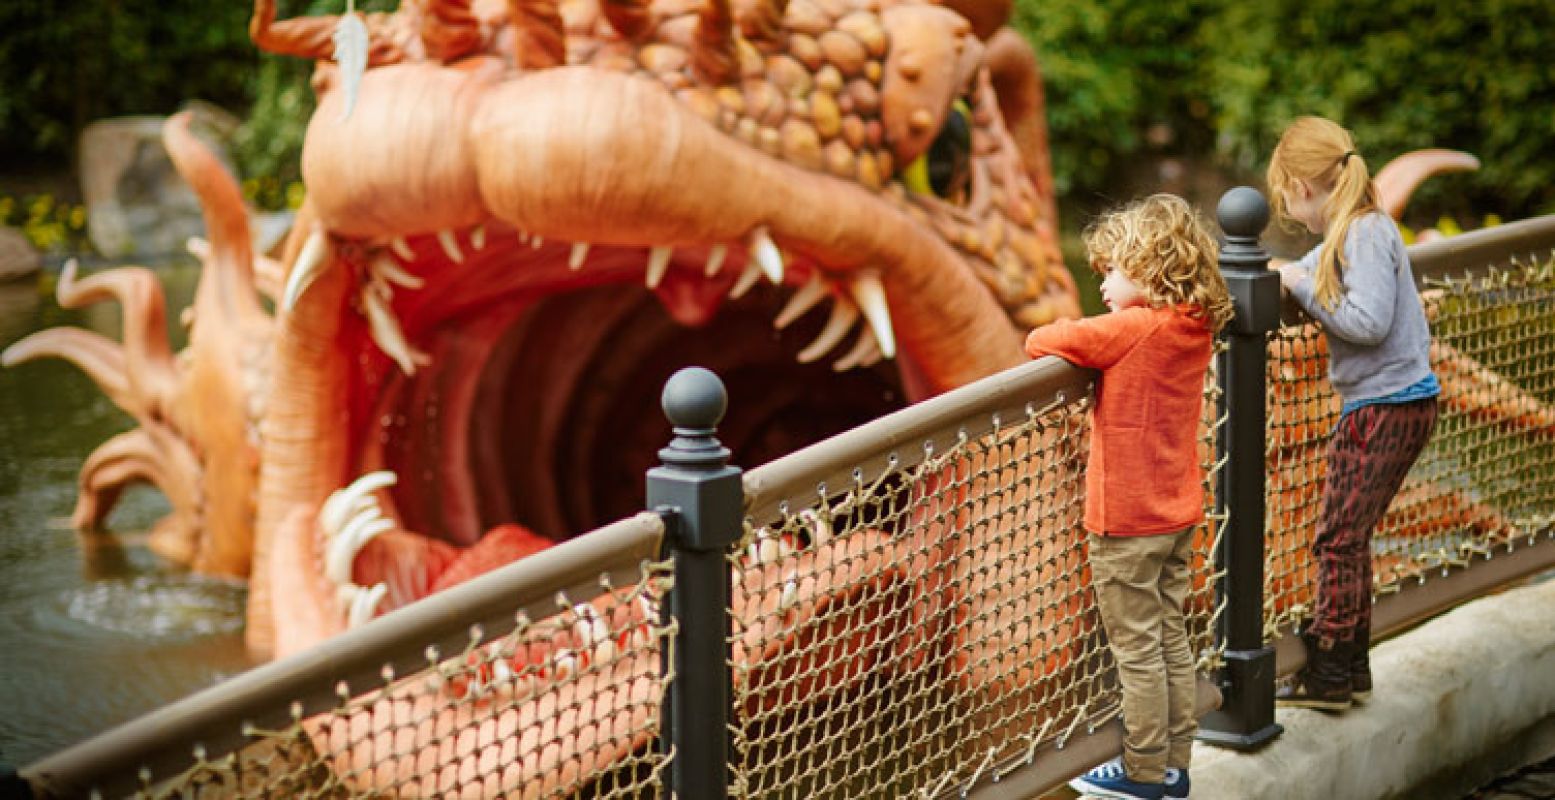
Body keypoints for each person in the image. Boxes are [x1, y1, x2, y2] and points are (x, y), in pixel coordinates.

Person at [1026, 194, 1233, 800]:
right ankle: (1175, 763)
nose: (1105, 286)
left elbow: (1047, 339)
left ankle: (1144, 773)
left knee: (1136, 650)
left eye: (1112, 272)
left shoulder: (1135, 328)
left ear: (1149, 271)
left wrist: (1079, 327)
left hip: (1125, 523)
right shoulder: (1192, 325)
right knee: (1170, 636)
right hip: (1175, 513)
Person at [1265, 115, 1439, 711]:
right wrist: (1281, 275)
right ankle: (1351, 663)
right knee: (1348, 537)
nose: (1289, 211)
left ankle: (1330, 671)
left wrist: (1300, 288)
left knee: (1337, 540)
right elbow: (1312, 266)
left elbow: (1367, 323)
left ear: (1304, 186)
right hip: (1385, 404)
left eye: (1286, 196)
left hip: (1387, 406)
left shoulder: (1365, 233)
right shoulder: (1353, 231)